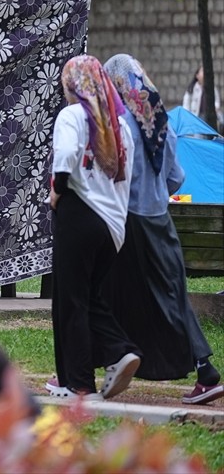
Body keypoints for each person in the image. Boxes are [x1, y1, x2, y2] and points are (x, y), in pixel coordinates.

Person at [102, 54, 223, 405]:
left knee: (103, 290)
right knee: (173, 295)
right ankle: (204, 370)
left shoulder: (120, 126)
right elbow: (176, 178)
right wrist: (154, 194)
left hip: (130, 222)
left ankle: (84, 369)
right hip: (160, 220)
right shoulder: (162, 123)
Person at [46, 54, 140, 400]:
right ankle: (119, 351)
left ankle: (79, 383)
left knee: (70, 301)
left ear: (74, 84)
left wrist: (57, 190)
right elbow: (124, 180)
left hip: (80, 213)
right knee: (88, 297)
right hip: (112, 225)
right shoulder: (121, 127)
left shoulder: (72, 115)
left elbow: (66, 155)